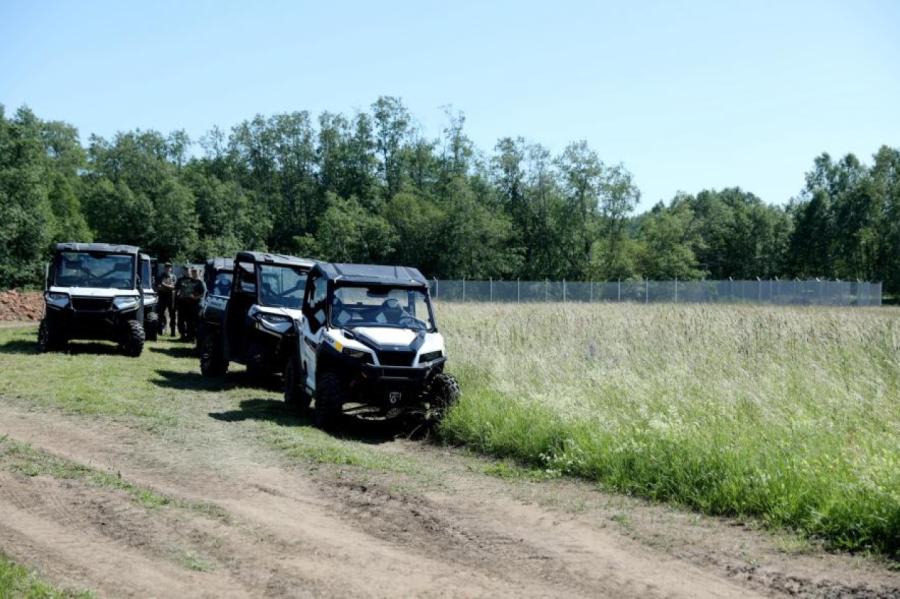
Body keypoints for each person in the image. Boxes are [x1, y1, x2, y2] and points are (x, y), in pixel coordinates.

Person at [179, 267, 206, 341]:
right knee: (189, 322)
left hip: (198, 305)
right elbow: (186, 290)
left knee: (197, 323)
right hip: (189, 305)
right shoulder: (190, 281)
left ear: (198, 273)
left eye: (195, 272)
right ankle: (189, 337)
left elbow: (203, 293)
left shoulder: (200, 282)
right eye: (193, 272)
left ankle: (196, 339)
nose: (194, 273)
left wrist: (195, 297)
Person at [157, 262, 178, 336]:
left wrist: (164, 285)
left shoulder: (173, 277)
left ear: (171, 268)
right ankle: (159, 331)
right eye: (166, 267)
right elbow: (159, 287)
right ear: (164, 268)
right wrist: (168, 286)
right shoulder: (160, 276)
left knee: (172, 315)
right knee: (160, 314)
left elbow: (174, 287)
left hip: (171, 298)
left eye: (169, 267)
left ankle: (173, 332)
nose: (168, 269)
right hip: (162, 297)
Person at [175, 266, 193, 339]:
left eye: (188, 270)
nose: (187, 272)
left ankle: (189, 335)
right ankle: (182, 335)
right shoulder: (180, 280)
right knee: (181, 320)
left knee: (189, 320)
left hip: (190, 303)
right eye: (185, 270)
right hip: (182, 303)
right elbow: (176, 290)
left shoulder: (193, 280)